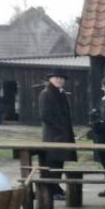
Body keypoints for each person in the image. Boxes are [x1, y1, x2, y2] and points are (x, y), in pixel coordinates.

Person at [38, 71, 77, 200]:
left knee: (59, 164)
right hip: (53, 136)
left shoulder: (61, 93)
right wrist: (59, 129)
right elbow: (45, 116)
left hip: (62, 135)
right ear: (50, 79)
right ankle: (53, 190)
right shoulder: (46, 94)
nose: (60, 80)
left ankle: (55, 188)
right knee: (52, 164)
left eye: (62, 78)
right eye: (57, 78)